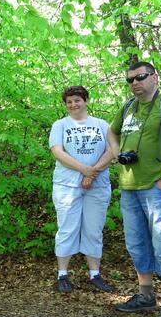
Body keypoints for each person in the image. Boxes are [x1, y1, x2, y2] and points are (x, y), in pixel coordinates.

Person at [108, 62, 161, 317]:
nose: (135, 83)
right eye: (130, 80)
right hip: (130, 188)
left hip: (159, 188)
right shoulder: (128, 108)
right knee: (136, 243)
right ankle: (145, 295)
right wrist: (116, 153)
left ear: (155, 77)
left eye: (140, 77)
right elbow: (111, 132)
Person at [49, 86, 115, 293]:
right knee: (67, 228)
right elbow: (58, 152)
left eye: (77, 100)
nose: (73, 105)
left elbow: (112, 149)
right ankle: (63, 274)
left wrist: (92, 173)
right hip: (67, 186)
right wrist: (84, 170)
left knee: (94, 230)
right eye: (69, 102)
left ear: (86, 100)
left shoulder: (102, 125)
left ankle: (95, 274)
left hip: (98, 186)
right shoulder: (60, 125)